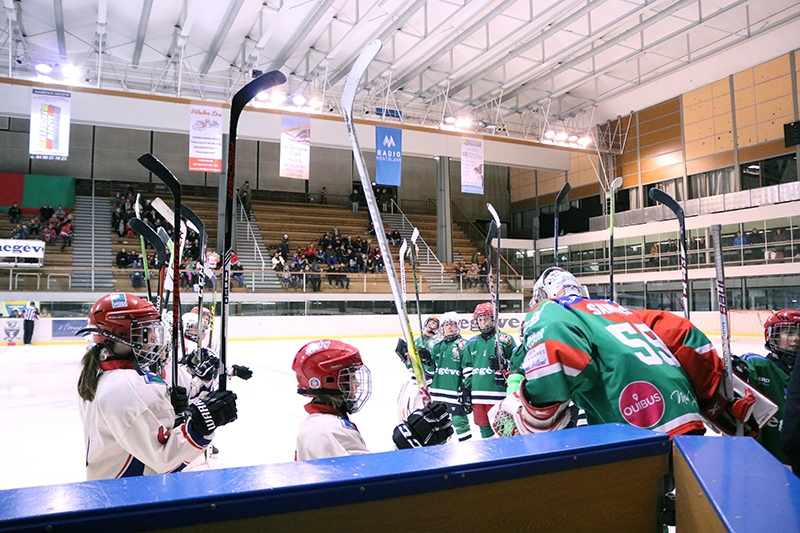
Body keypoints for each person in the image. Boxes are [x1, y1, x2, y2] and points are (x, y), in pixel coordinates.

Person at [492, 267, 732, 438]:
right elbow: (686, 336)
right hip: (685, 416)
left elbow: (556, 349)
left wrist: (538, 407)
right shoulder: (618, 308)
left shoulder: (552, 309)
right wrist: (709, 395)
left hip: (635, 428)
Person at [76, 293, 238, 480]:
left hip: (118, 486)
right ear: (121, 334)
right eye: (145, 329)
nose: (153, 336)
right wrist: (201, 425)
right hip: (130, 495)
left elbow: (138, 426)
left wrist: (171, 407)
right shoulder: (123, 388)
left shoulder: (103, 371)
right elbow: (164, 459)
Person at [293, 339, 453, 460]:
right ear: (328, 381)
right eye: (350, 377)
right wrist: (405, 446)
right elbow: (365, 486)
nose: (356, 383)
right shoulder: (329, 430)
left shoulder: (321, 423)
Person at [735, 309, 799, 466]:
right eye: (788, 333)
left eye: (799, 333)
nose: (797, 338)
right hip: (767, 461)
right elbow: (745, 366)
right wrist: (735, 367)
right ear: (772, 336)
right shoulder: (760, 366)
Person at [465, 303, 517, 438]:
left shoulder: (506, 339)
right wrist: (466, 388)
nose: (484, 323)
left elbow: (516, 365)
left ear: (494, 319)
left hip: (498, 394)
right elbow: (467, 368)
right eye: (480, 320)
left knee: (505, 431)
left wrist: (504, 364)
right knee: (485, 432)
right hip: (478, 396)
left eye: (486, 319)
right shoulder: (472, 343)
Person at [426, 312, 473, 442]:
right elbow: (431, 371)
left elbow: (468, 369)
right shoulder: (437, 347)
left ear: (458, 326)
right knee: (438, 423)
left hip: (455, 391)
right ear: (442, 328)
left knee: (459, 420)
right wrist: (426, 360)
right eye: (447, 325)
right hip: (438, 392)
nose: (450, 327)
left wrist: (466, 388)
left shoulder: (464, 345)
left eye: (453, 324)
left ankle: (467, 448)